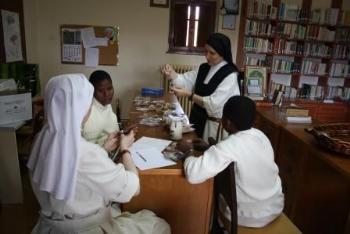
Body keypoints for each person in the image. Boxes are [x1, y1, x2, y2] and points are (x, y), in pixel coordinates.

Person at [27, 74, 170, 234]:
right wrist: (125, 148)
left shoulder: (40, 140)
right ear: (82, 107)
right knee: (159, 225)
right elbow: (133, 188)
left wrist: (104, 149)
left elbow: (75, 169)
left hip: (51, 225)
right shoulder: (86, 152)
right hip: (86, 228)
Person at [181, 96, 284, 228]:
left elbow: (193, 175)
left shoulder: (229, 146)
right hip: (274, 207)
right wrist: (210, 148)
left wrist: (187, 151)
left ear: (227, 122)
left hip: (247, 217)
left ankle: (214, 227)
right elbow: (241, 154)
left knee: (206, 197)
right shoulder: (261, 137)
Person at [162, 32, 240, 141]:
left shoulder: (230, 75)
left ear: (223, 53)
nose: (207, 56)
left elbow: (213, 104)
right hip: (196, 119)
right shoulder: (203, 68)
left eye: (212, 53)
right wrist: (172, 73)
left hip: (211, 126)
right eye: (206, 51)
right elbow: (185, 81)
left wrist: (189, 95)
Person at [82, 70, 120, 147]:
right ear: (92, 90)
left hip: (111, 150)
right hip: (94, 156)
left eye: (109, 88)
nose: (106, 94)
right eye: (100, 90)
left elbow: (109, 130)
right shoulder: (86, 111)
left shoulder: (106, 105)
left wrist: (124, 131)